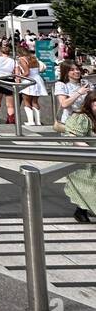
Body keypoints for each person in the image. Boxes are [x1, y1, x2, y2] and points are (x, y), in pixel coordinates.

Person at [62, 90, 96, 223]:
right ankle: (81, 210)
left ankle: (81, 210)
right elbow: (74, 137)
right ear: (89, 104)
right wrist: (90, 151)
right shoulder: (82, 118)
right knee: (89, 185)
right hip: (82, 159)